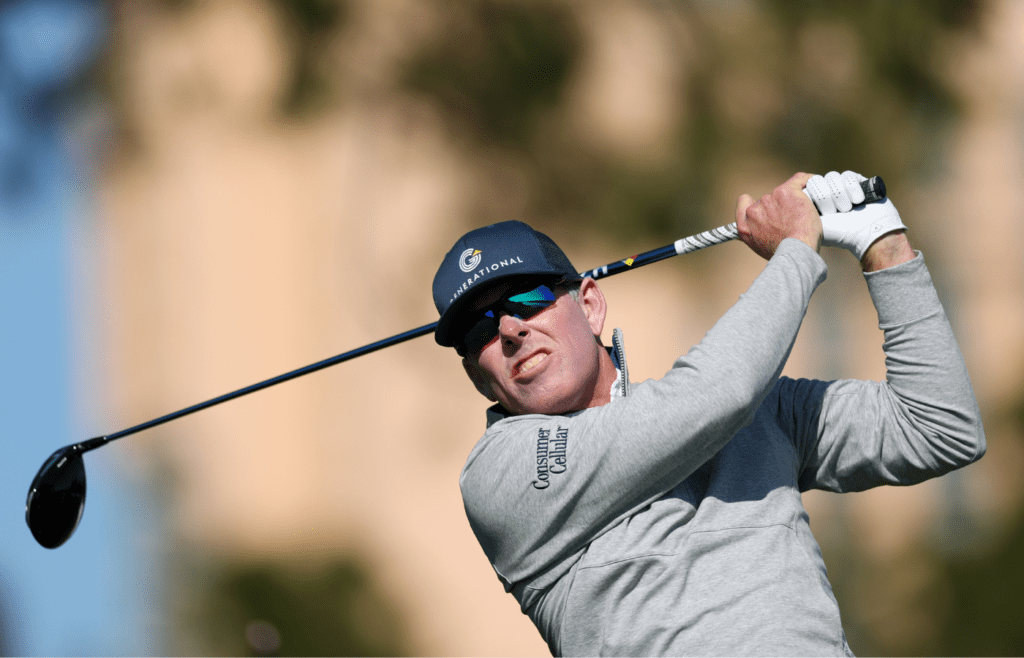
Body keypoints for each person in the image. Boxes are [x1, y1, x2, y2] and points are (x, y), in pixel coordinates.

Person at [431, 171, 985, 656]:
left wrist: (884, 246)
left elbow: (938, 427)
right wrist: (796, 251)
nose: (508, 330)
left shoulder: (757, 413)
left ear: (591, 304)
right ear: (476, 372)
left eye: (526, 300)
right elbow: (710, 398)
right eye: (480, 330)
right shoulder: (498, 475)